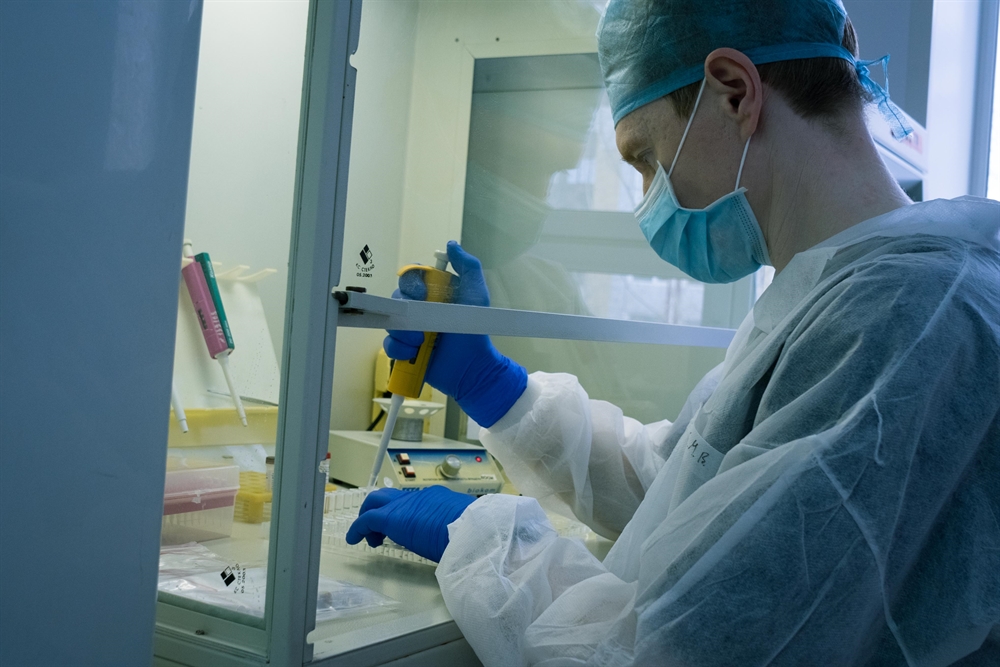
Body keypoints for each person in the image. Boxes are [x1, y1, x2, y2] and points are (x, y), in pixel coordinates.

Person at [346, 0, 1000, 664]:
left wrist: (487, 544)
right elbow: (681, 492)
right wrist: (497, 390)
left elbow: (685, 647)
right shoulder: (833, 295)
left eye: (646, 157)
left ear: (735, 92)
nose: (647, 198)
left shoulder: (905, 318)